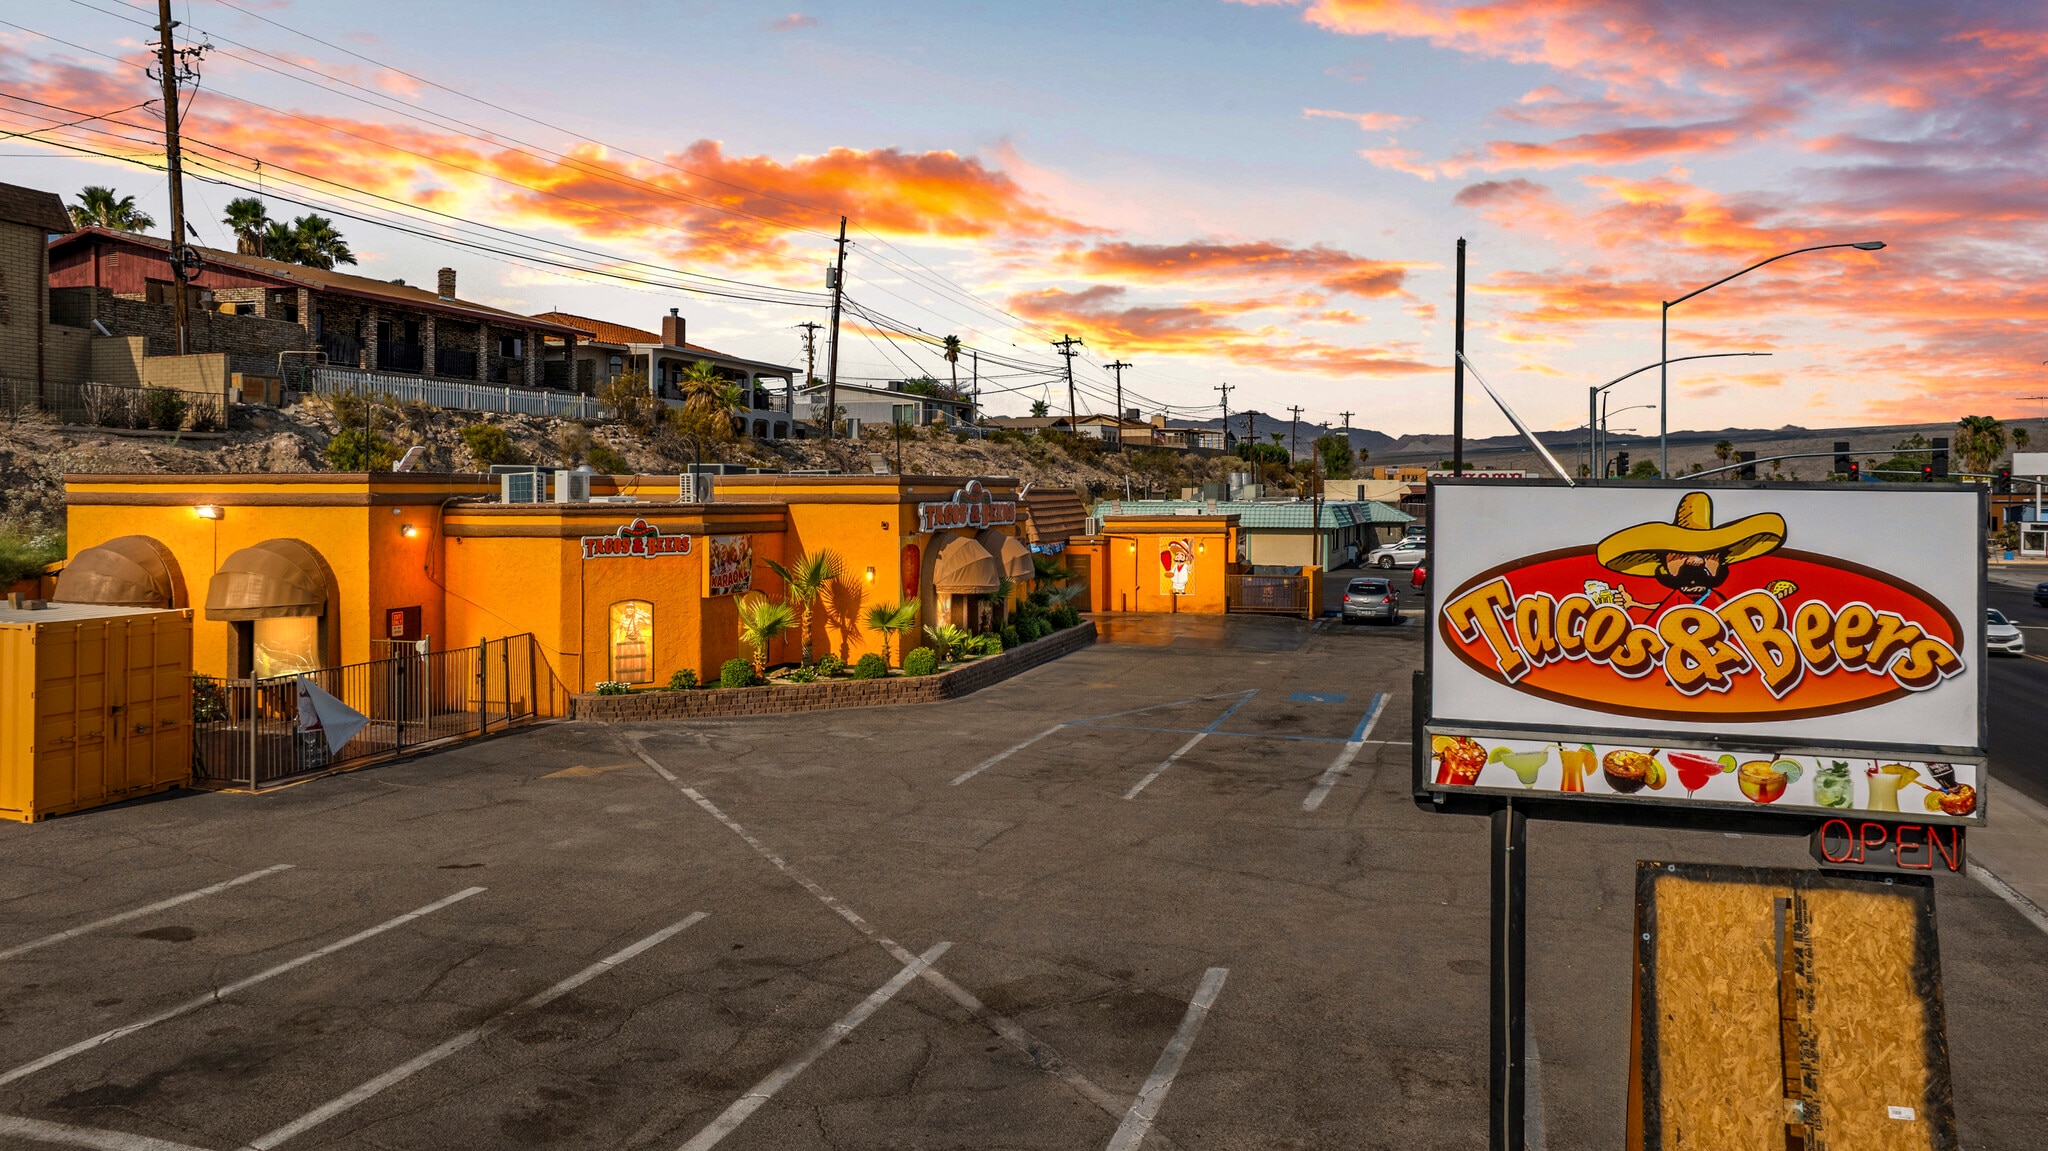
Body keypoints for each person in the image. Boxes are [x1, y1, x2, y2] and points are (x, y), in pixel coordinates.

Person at [1594, 492, 1785, 624]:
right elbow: (1665, 613)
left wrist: (1766, 600)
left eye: (1707, 554)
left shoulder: (1717, 603)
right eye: (1680, 554)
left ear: (1722, 560)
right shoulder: (1678, 598)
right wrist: (1634, 605)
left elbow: (1735, 621)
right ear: (1663, 561)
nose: (1695, 562)